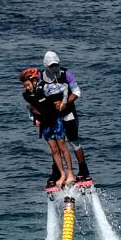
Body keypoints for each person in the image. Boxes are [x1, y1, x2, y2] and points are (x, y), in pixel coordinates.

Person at [41, 51, 91, 180]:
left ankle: (83, 170)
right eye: (51, 66)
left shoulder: (66, 74)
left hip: (68, 113)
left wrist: (65, 103)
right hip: (52, 117)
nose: (54, 68)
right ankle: (57, 172)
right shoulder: (41, 77)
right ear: (46, 66)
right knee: (56, 145)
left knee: (73, 141)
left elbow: (76, 91)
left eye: (56, 65)